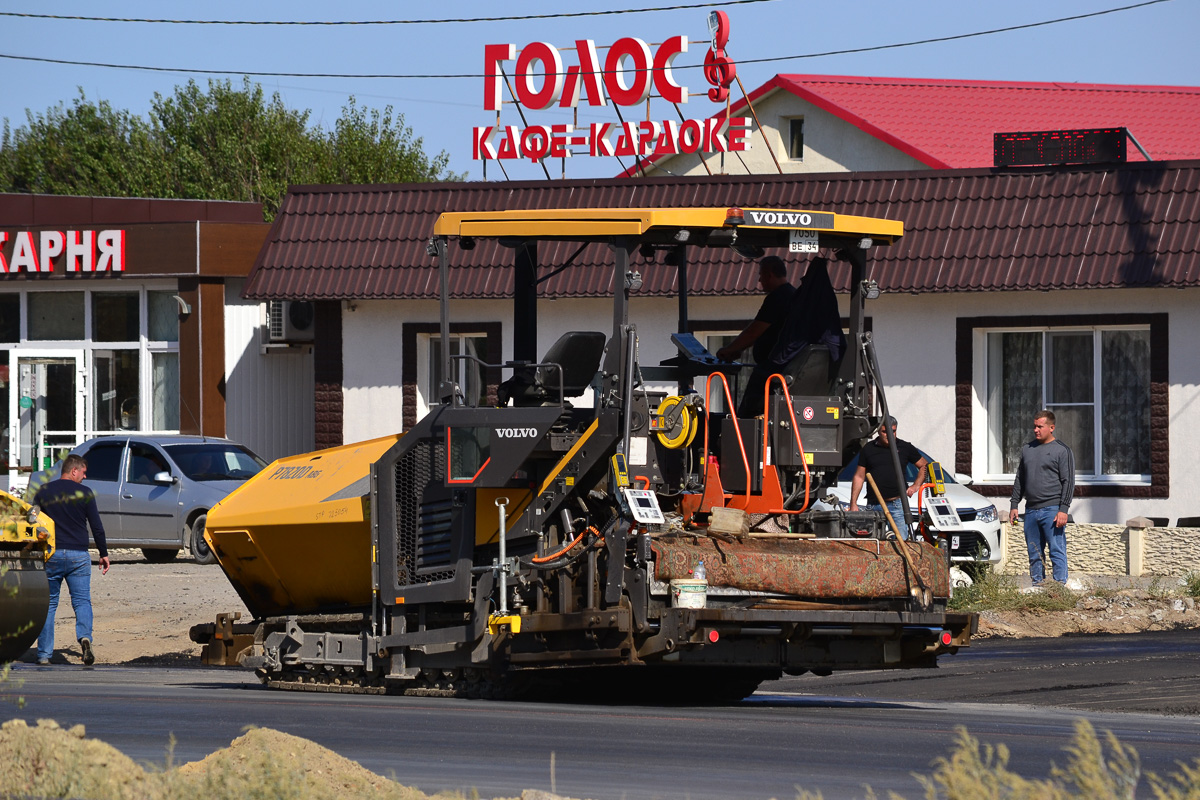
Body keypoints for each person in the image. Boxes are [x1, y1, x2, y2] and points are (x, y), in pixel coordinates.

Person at [33, 453, 111, 666]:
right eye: (83, 473)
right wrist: (103, 554)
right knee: (82, 601)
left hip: (52, 555)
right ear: (73, 470)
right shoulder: (85, 493)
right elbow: (96, 526)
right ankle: (85, 637)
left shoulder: (44, 491)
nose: (85, 477)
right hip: (78, 555)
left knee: (49, 604)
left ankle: (43, 655)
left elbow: (32, 520)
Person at [715, 255, 795, 417]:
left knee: (747, 413)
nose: (759, 280)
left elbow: (755, 331)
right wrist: (740, 349)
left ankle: (738, 437)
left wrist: (729, 349)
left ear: (770, 274)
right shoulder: (793, 295)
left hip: (773, 370)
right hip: (786, 368)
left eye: (760, 275)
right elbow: (768, 332)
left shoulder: (777, 297)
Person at [1009, 409, 1075, 585]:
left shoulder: (1062, 451)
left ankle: (1059, 587)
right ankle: (1037, 586)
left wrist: (1063, 510)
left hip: (1052, 510)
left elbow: (1068, 482)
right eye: (1034, 426)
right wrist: (1014, 505)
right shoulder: (1027, 450)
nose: (1036, 430)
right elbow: (1020, 479)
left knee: (1056, 550)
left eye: (1040, 426)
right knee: (1034, 552)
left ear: (1051, 427)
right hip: (1030, 510)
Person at [849, 417, 929, 539]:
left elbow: (924, 465)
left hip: (896, 504)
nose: (889, 435)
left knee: (900, 541)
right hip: (874, 505)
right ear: (878, 432)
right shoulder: (869, 449)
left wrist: (916, 485)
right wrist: (853, 503)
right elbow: (859, 476)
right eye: (885, 432)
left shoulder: (905, 447)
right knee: (872, 542)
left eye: (893, 431)